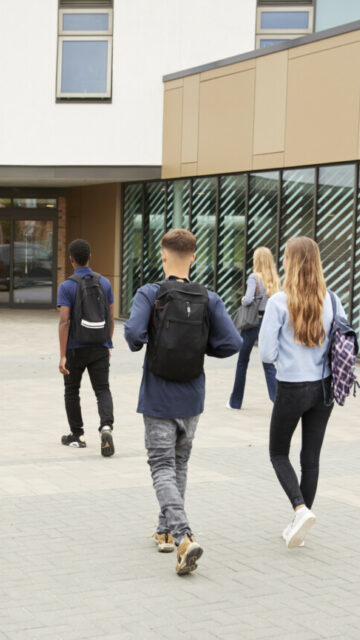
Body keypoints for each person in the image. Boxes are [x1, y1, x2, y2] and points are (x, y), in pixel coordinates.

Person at [124, 229, 241, 574]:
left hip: (158, 396)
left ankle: (183, 535)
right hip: (192, 396)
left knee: (161, 466)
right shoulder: (210, 298)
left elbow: (132, 333)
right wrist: (200, 348)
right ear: (193, 256)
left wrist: (145, 343)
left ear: (162, 255)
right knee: (179, 465)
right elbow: (232, 342)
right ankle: (164, 532)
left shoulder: (150, 292)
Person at [258, 236, 346, 549]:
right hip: (324, 388)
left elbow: (266, 354)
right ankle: (301, 523)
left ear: (290, 263)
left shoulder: (278, 302)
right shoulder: (333, 300)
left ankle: (299, 509)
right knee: (310, 457)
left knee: (278, 452)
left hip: (292, 386)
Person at [56, 239, 115, 455]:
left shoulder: (67, 286)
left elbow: (64, 321)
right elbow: (109, 316)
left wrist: (62, 355)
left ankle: (77, 435)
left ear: (71, 260)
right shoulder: (105, 283)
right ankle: (106, 426)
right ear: (90, 257)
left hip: (74, 347)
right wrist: (107, 343)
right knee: (102, 389)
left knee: (72, 390)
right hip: (99, 346)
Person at [228, 246, 279, 409]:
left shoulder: (254, 277)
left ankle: (235, 402)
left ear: (257, 260)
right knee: (268, 362)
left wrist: (243, 299)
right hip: (268, 322)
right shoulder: (274, 279)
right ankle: (277, 400)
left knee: (243, 361)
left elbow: (248, 299)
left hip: (252, 323)